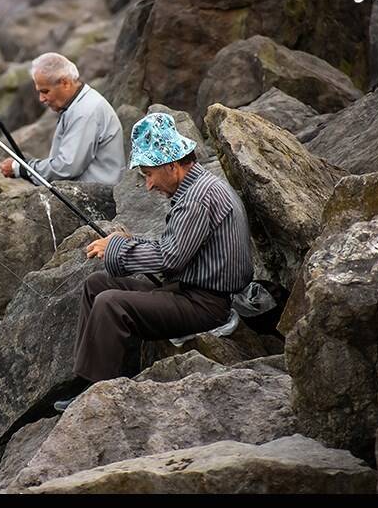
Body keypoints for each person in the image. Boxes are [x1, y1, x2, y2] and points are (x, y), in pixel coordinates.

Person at [54, 112, 254, 412]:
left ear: (172, 166)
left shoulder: (196, 200)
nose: (148, 185)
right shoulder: (197, 189)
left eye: (148, 173)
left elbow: (170, 258)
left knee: (111, 303)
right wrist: (121, 245)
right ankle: (91, 378)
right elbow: (173, 247)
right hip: (187, 291)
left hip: (207, 305)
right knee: (97, 284)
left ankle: (98, 397)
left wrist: (118, 248)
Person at [0, 52, 125, 185]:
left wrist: (21, 169)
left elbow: (67, 167)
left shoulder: (85, 111)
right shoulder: (78, 104)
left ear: (65, 83)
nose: (41, 99)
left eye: (45, 91)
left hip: (97, 197)